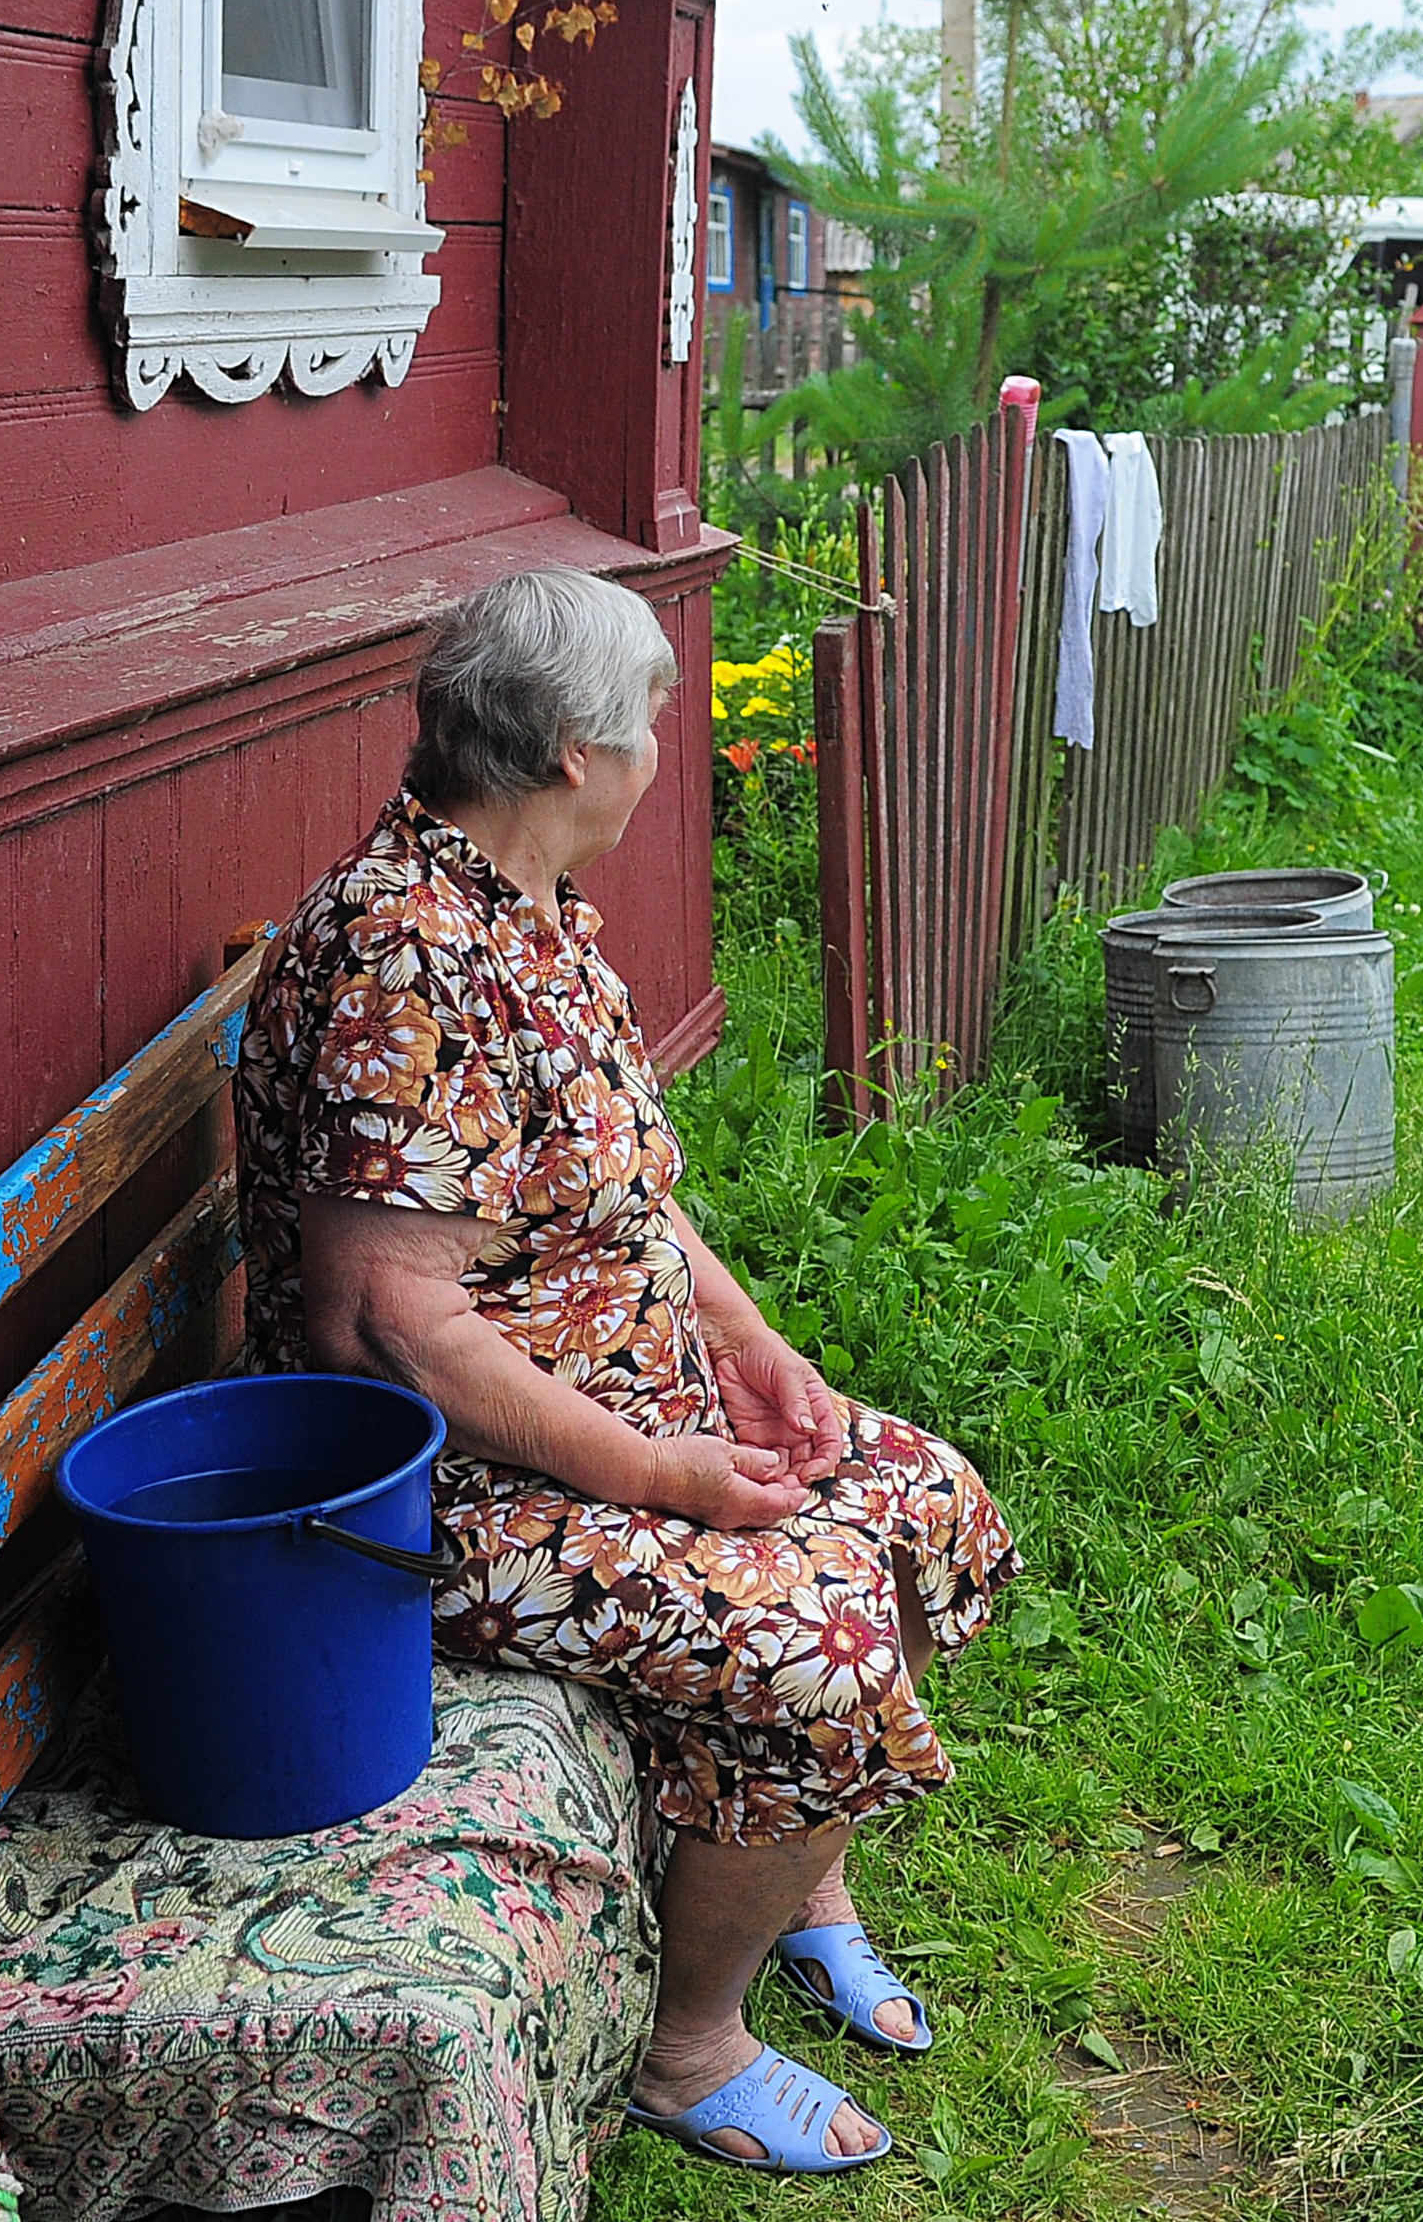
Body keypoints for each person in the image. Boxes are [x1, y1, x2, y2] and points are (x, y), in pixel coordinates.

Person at [233, 568, 1017, 2178]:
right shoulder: (412, 958)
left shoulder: (523, 914)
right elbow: (381, 1322)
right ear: (578, 756)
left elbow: (626, 1198)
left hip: (605, 1415)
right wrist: (662, 1472)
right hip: (444, 1497)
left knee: (924, 1502)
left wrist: (750, 1351)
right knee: (825, 1650)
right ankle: (687, 2044)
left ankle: (801, 1873)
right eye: (652, 720)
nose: (666, 746)